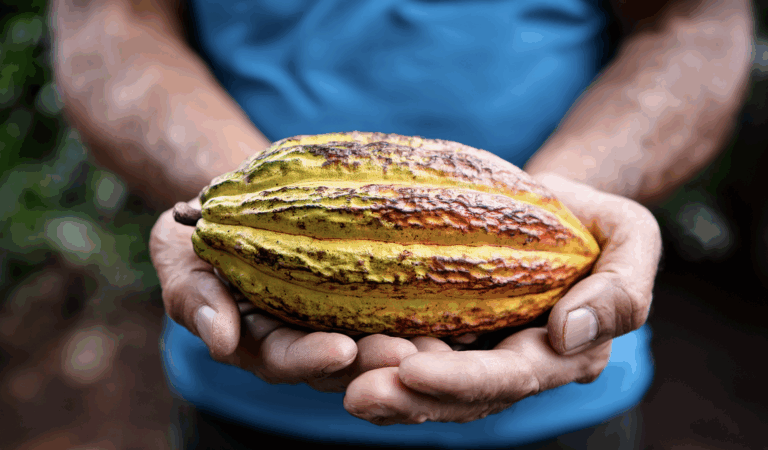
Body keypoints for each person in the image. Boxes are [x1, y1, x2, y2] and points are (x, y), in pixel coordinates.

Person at [51, 0, 754, 447]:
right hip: (244, 377)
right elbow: (110, 17)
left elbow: (695, 20)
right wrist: (243, 206)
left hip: (562, 369)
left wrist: (574, 199)